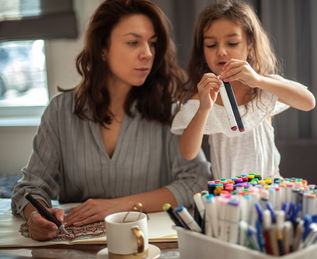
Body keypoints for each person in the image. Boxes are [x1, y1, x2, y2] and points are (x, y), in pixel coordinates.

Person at [11, 0, 211, 241]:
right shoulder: (60, 111)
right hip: (75, 250)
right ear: (103, 48)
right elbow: (30, 187)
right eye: (133, 42)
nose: (147, 53)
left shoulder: (169, 110)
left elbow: (197, 180)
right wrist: (36, 216)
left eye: (153, 43)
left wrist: (122, 205)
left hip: (150, 246)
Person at [171, 1, 315, 179]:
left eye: (232, 43)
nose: (221, 51)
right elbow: (188, 153)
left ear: (250, 47)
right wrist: (204, 108)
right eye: (211, 45)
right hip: (229, 196)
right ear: (203, 52)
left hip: (268, 189)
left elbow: (308, 102)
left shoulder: (263, 88)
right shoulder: (203, 97)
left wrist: (259, 80)